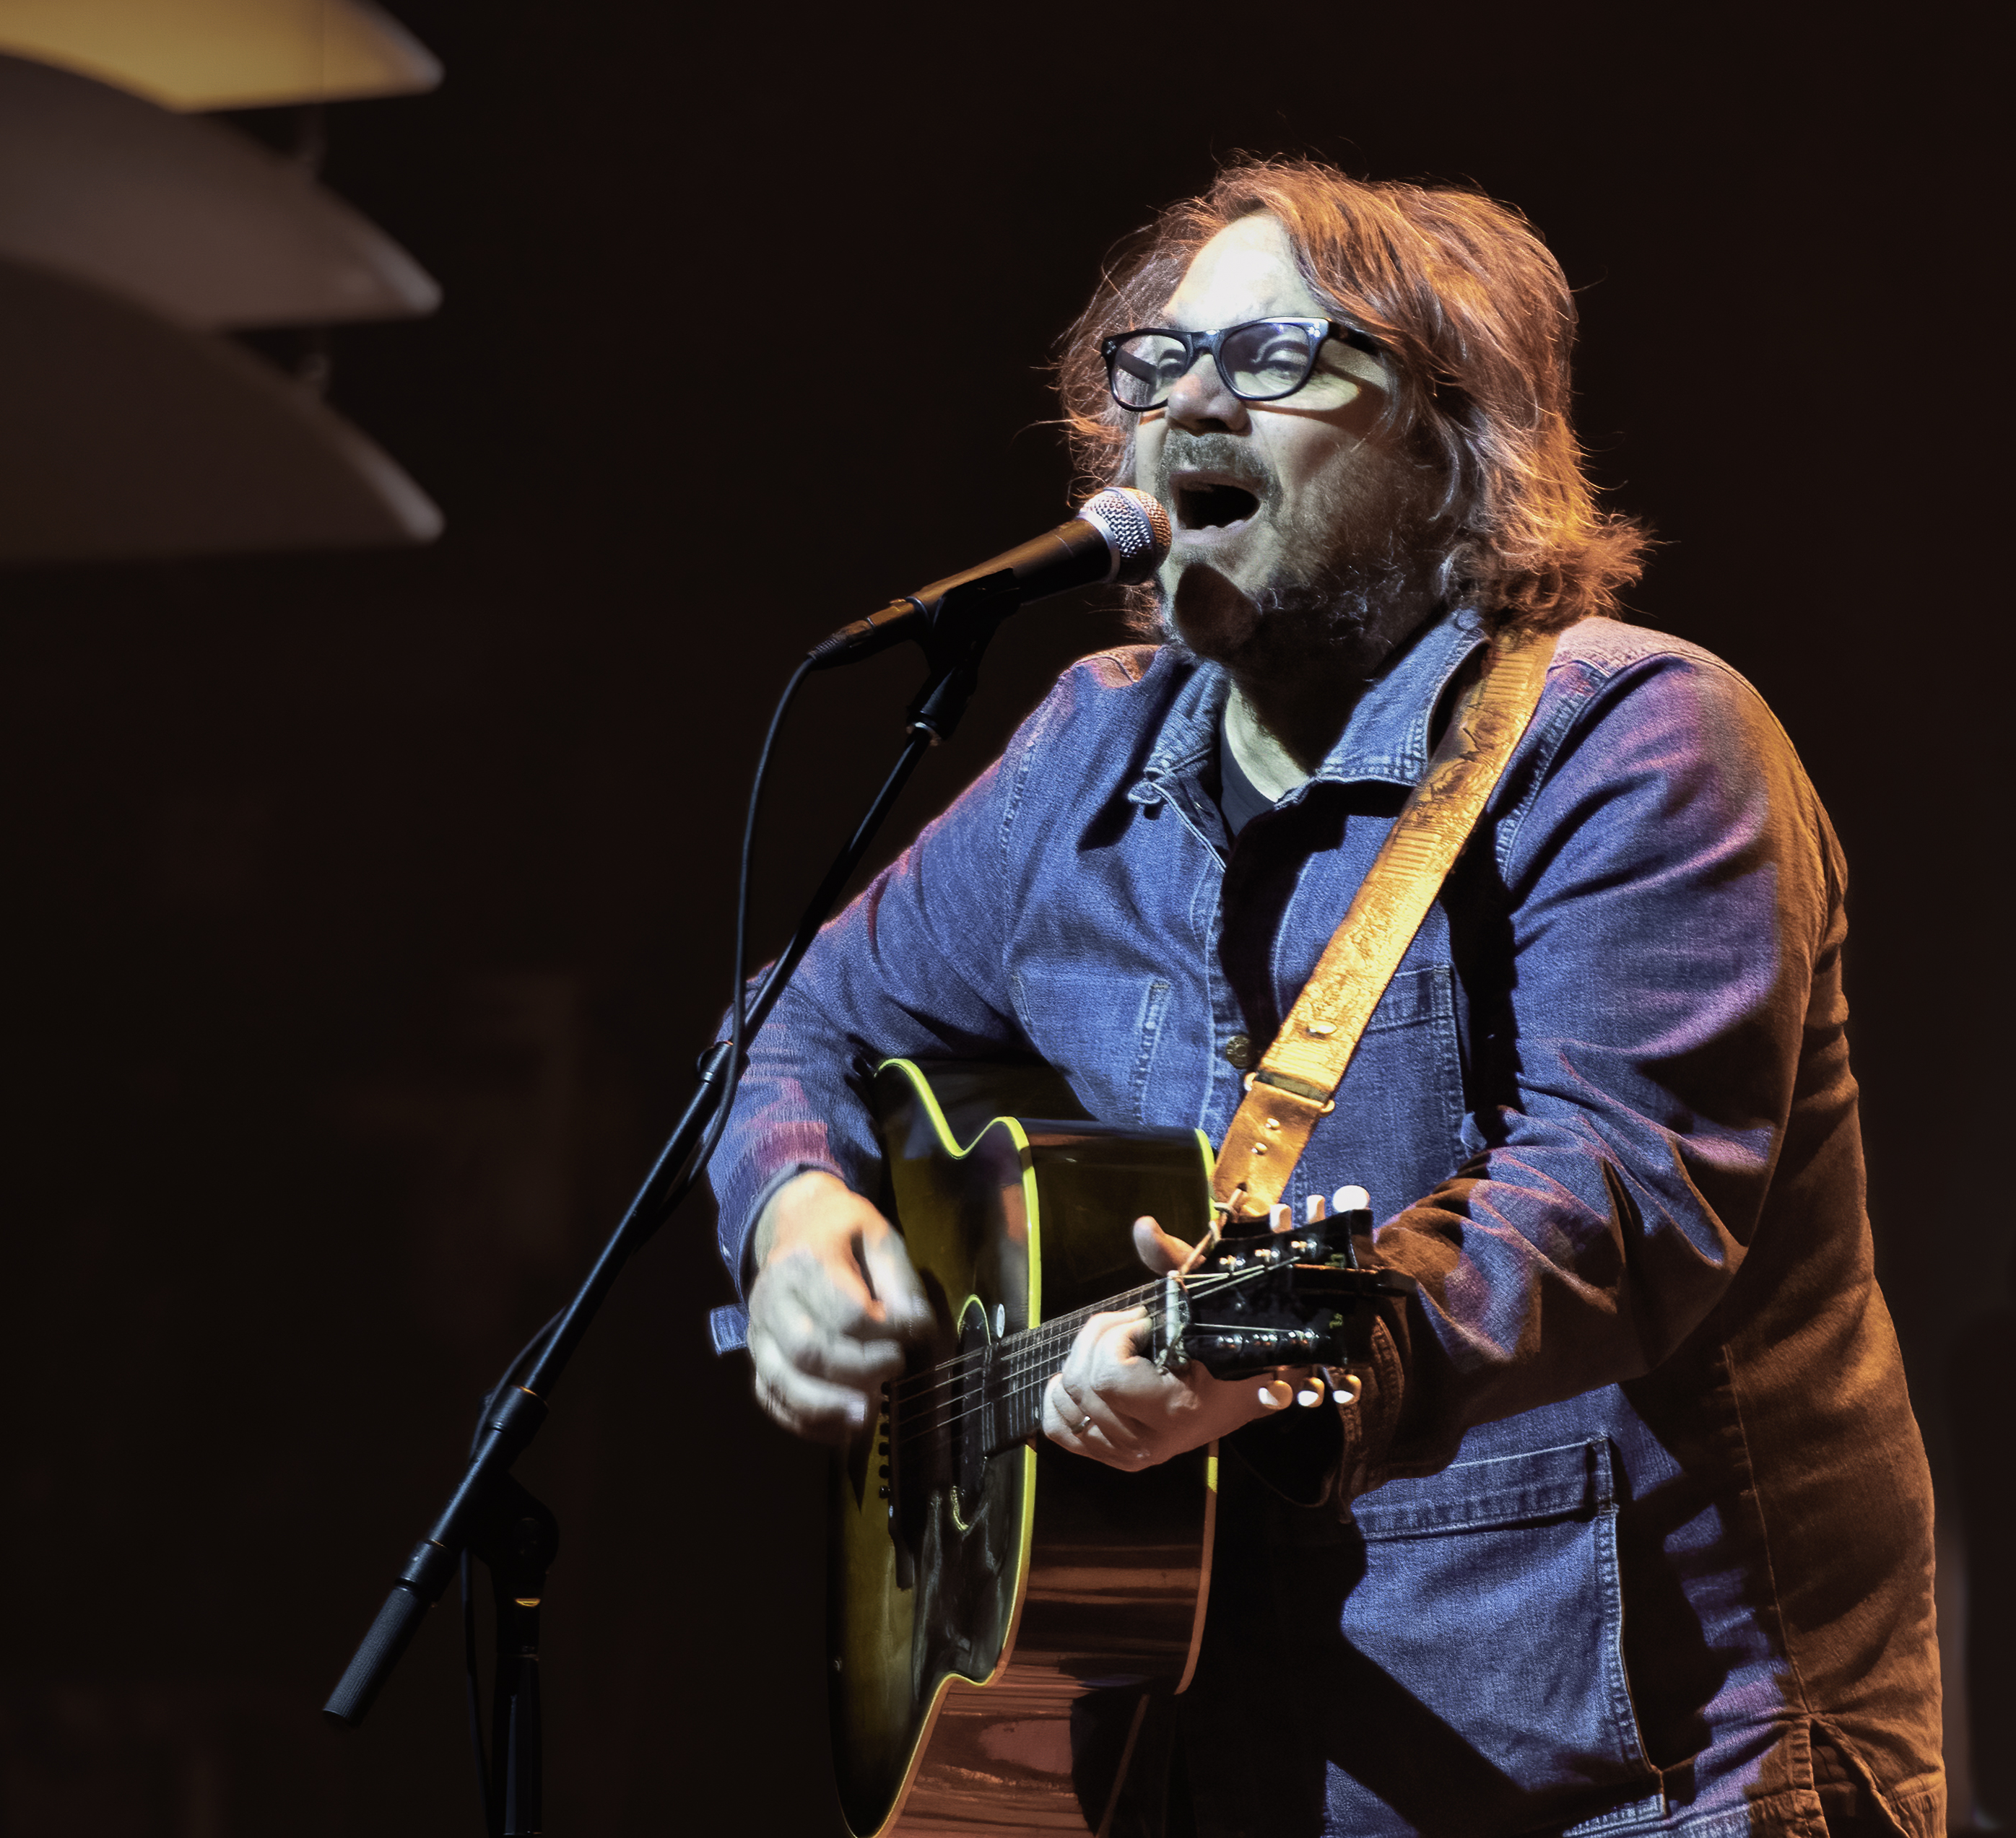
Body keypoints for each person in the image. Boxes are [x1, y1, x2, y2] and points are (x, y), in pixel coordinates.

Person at [706, 158, 1942, 1837]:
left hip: (1646, 1766)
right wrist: (788, 1211)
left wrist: (1286, 1349)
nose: (1190, 401)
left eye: (1278, 356)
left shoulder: (1636, 738)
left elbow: (1623, 1197)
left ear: (1457, 431)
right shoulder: (1088, 747)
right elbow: (795, 1022)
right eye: (1155, 364)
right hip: (1227, 1761)